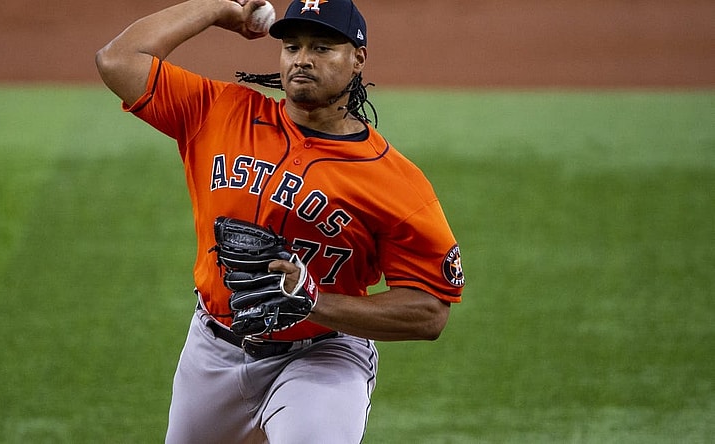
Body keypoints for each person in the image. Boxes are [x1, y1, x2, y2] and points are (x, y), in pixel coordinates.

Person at [95, 0, 466, 442]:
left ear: (358, 59)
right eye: (292, 47)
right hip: (213, 348)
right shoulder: (219, 112)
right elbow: (117, 60)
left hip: (324, 354)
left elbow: (429, 312)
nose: (302, 59)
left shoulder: (396, 182)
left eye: (322, 48)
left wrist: (314, 300)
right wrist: (217, 9)